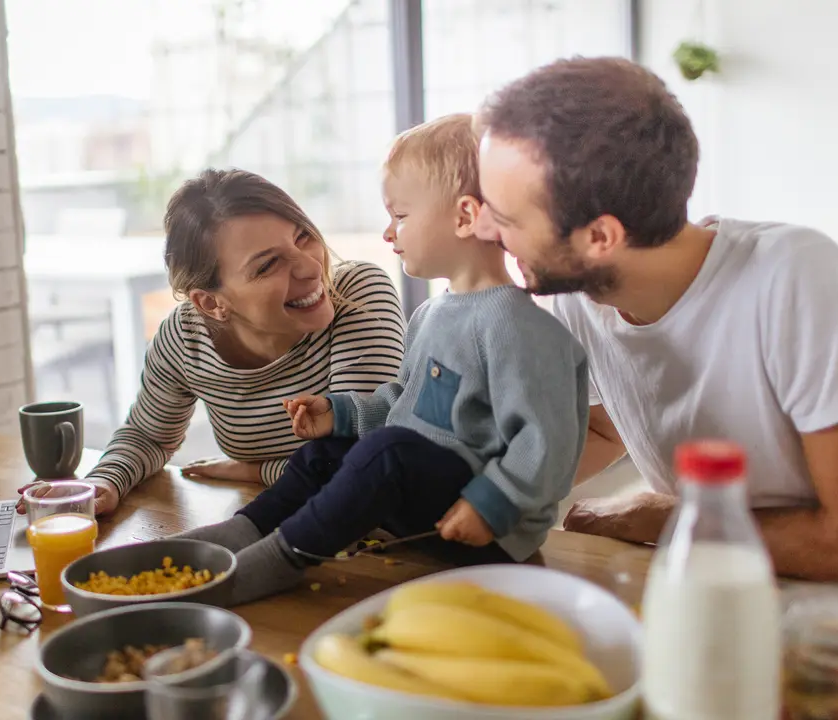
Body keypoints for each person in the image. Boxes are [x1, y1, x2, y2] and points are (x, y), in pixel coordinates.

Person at [472, 57, 838, 589]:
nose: (483, 227)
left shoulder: (796, 279)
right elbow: (605, 427)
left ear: (600, 238)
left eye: (506, 216)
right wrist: (478, 488)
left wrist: (657, 515)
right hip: (718, 578)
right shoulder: (582, 292)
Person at [176, 114, 590, 605]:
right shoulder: (434, 313)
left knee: (390, 452)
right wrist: (341, 414)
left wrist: (490, 506)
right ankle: (247, 531)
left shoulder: (518, 326)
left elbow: (548, 440)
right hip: (423, 508)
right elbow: (404, 404)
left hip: (488, 529)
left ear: (462, 217)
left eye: (402, 216)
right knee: (323, 456)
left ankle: (280, 561)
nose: (389, 233)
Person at [23, 169, 407, 517]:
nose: (310, 267)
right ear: (211, 303)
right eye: (268, 265)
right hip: (279, 522)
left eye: (303, 236)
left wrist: (255, 472)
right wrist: (102, 482)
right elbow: (148, 436)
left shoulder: (359, 294)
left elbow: (358, 461)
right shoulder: (185, 337)